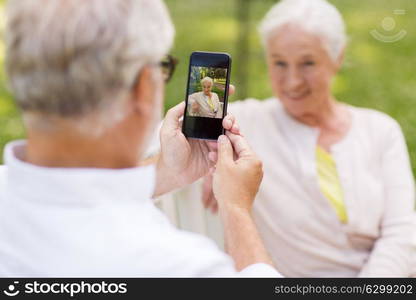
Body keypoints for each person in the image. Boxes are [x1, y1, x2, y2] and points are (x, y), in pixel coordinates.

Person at [0, 0, 280, 277]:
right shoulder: (181, 267)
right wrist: (236, 208)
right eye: (163, 67)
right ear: (144, 87)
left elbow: (69, 192)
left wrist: (167, 172)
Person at [175, 0, 415, 277]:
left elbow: (400, 233)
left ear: (338, 57)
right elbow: (146, 147)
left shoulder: (380, 130)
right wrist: (203, 150)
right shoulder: (245, 123)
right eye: (279, 63)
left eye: (308, 63)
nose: (292, 82)